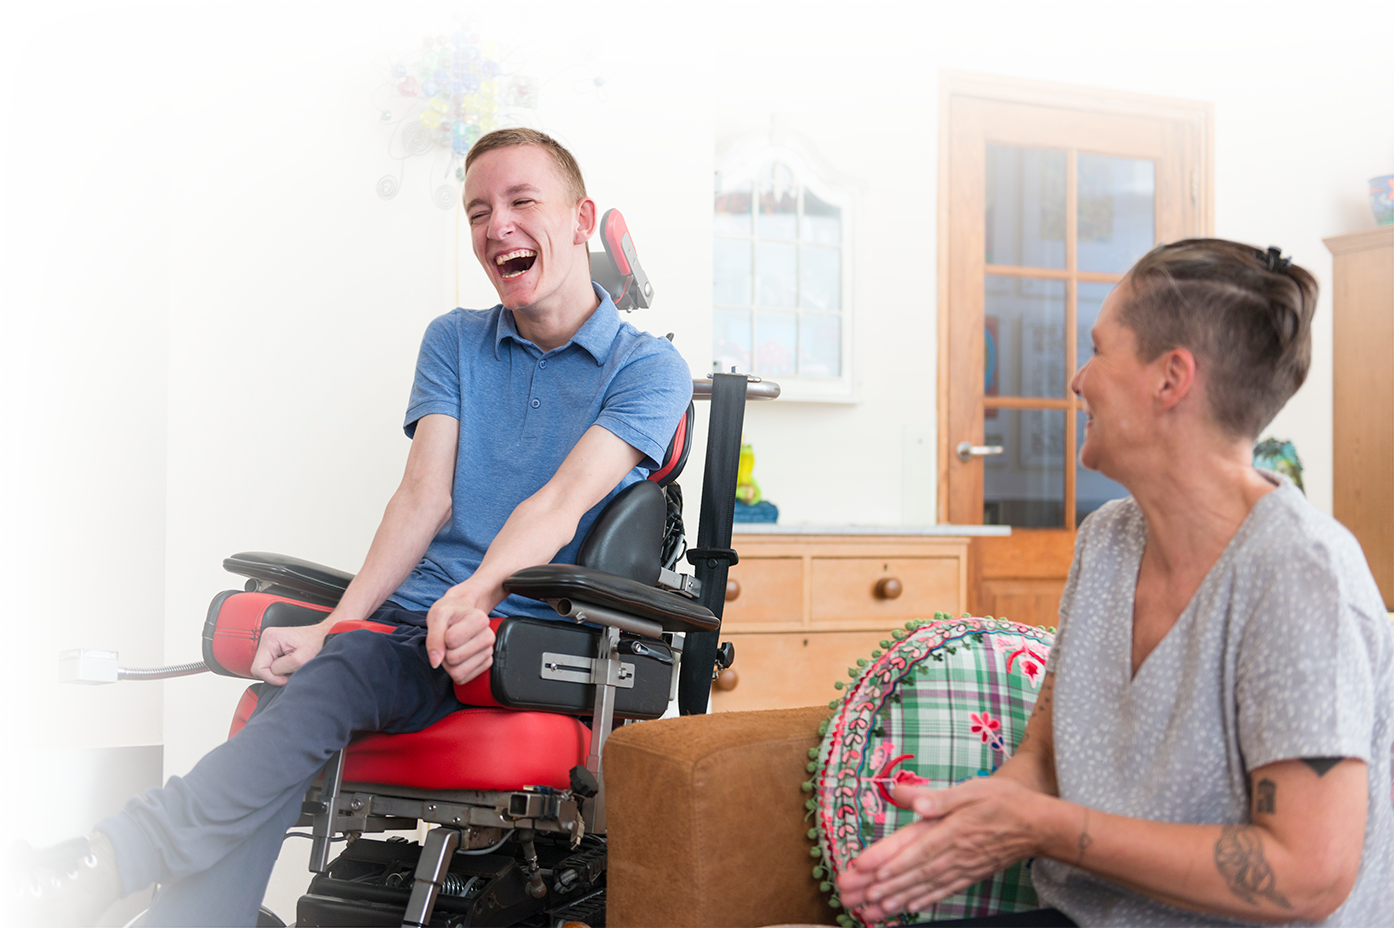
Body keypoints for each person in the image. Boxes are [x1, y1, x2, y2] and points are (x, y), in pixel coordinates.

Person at [0, 127, 693, 928]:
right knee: (306, 689)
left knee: (334, 673)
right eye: (476, 211)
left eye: (521, 201)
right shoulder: (457, 340)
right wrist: (338, 621)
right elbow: (421, 499)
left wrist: (473, 596)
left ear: (582, 219)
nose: (495, 225)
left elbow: (558, 504)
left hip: (523, 641)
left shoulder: (647, 369)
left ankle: (105, 864)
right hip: (413, 632)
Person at [838, 238, 1393, 927]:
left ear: (1170, 379)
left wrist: (1043, 828)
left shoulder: (1301, 574)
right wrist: (967, 831)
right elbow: (1043, 761)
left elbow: (1308, 875)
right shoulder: (1108, 540)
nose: (1077, 379)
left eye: (1098, 350)